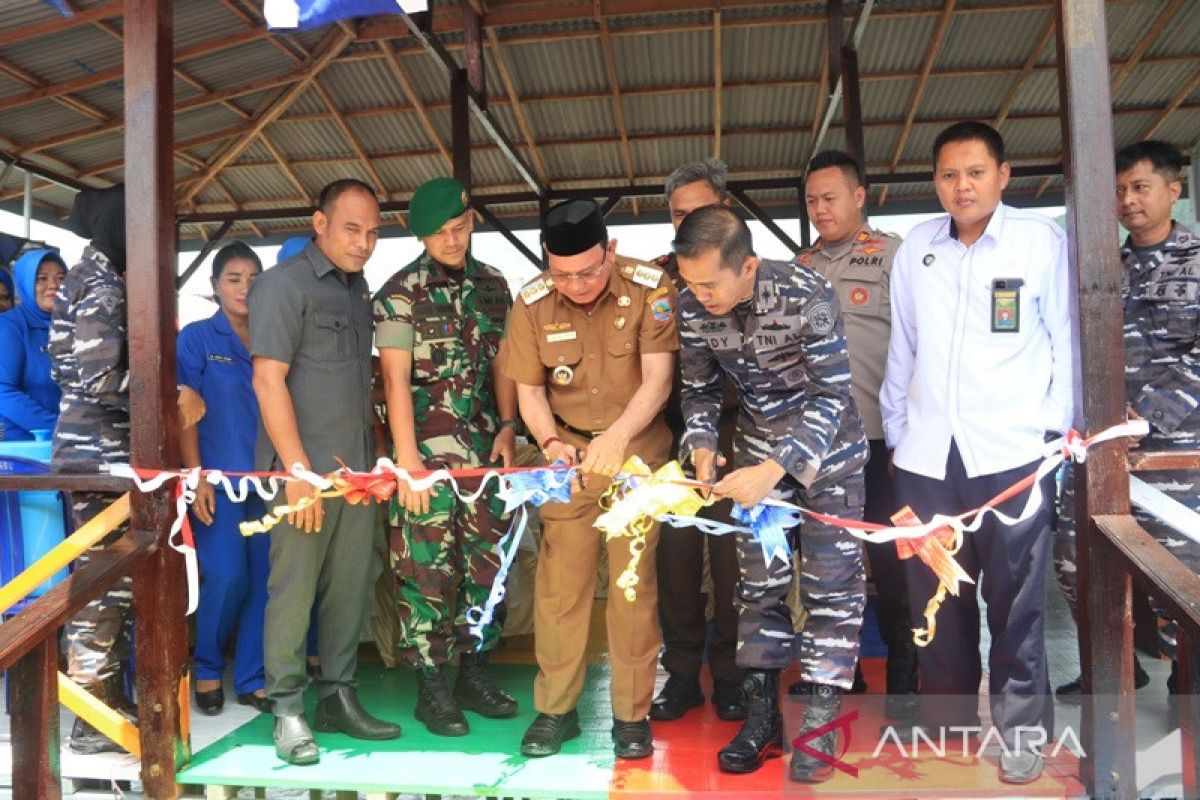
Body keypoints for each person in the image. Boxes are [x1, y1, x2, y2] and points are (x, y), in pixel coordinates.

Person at [880, 121, 1073, 785]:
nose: (961, 187)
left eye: (974, 172)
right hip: (928, 458)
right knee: (934, 591)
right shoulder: (917, 250)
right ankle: (951, 722)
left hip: (1013, 452)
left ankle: (1021, 733)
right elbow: (901, 347)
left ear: (1003, 175)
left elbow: (1066, 340)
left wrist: (1054, 432)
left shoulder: (1040, 241)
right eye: (948, 175)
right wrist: (900, 433)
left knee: (1017, 599)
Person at [675, 204, 868, 783]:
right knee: (758, 590)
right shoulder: (691, 304)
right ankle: (762, 719)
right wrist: (703, 447)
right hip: (754, 456)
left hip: (827, 460)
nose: (700, 295)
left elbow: (833, 396)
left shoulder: (809, 294)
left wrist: (778, 467)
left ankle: (819, 723)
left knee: (831, 590)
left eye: (710, 283)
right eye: (690, 283)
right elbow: (699, 390)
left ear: (749, 266)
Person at [503, 198, 676, 760]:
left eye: (589, 271)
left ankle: (631, 715)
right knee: (560, 588)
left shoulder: (651, 287)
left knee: (632, 592)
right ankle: (556, 710)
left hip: (636, 460)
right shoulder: (530, 301)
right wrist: (551, 444)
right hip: (567, 463)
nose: (575, 284)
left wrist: (617, 439)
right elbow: (530, 391)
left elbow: (658, 380)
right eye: (562, 274)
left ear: (612, 251)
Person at [249, 178, 401, 766]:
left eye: (373, 232)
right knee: (292, 592)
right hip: (303, 477)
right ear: (320, 224)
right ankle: (287, 708)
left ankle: (339, 696)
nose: (364, 243)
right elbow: (268, 380)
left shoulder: (357, 290)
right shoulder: (282, 286)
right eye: (352, 229)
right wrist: (297, 472)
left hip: (355, 476)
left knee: (348, 588)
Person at [373, 177, 519, 736]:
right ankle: (431, 687)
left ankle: (474, 674)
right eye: (439, 235)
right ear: (420, 237)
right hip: (425, 459)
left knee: (489, 567)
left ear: (472, 220)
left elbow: (506, 363)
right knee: (424, 571)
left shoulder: (494, 287)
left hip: (485, 457)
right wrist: (408, 462)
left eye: (458, 229)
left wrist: (507, 427)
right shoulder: (398, 292)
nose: (452, 241)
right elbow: (394, 378)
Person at [1054, 140, 1199, 699]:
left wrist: (1152, 414)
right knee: (1076, 562)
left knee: (1178, 573)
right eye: (1118, 190)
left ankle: (1188, 680)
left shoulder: (1196, 259)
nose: (1128, 200)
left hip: (1172, 449)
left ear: (1173, 190)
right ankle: (1115, 669)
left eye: (1140, 187)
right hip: (1098, 446)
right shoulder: (1099, 267)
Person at [796, 149, 916, 717]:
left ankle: (905, 679)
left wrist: (908, 436)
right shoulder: (799, 267)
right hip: (819, 446)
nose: (820, 209)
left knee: (895, 567)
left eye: (830, 197)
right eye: (812, 200)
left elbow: (920, 348)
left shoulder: (898, 257)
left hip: (880, 440)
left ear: (859, 195)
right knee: (829, 569)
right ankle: (838, 680)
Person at [649, 158, 745, 723]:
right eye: (678, 215)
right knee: (676, 559)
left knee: (733, 558)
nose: (687, 224)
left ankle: (732, 675)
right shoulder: (659, 277)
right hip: (675, 434)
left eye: (699, 212)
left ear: (725, 209)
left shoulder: (750, 269)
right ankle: (682, 673)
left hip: (737, 430)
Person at [49, 185, 135, 755]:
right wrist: (167, 396)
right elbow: (103, 377)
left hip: (94, 449)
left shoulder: (90, 275)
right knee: (105, 586)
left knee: (110, 582)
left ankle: (99, 705)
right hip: (99, 450)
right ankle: (90, 717)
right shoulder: (103, 284)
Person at [177, 242, 272, 716]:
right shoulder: (197, 338)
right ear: (215, 287)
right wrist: (197, 478)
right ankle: (209, 666)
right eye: (234, 279)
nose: (244, 288)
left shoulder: (275, 335)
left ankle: (252, 677)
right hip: (217, 479)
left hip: (270, 481)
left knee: (266, 577)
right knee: (227, 574)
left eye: (254, 278)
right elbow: (185, 409)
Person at [0, 249, 66, 441]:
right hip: (24, 448)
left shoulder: (76, 327)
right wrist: (60, 430)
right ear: (25, 282)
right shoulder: (9, 325)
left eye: (61, 278)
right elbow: (3, 393)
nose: (53, 285)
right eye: (41, 279)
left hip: (70, 445)